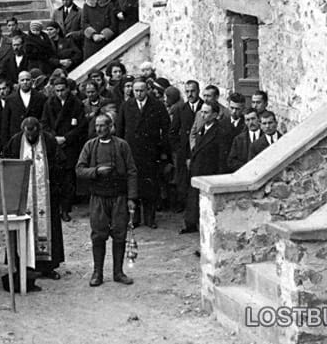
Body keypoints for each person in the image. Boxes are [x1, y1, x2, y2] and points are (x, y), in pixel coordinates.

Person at [76, 113, 137, 287]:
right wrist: (96, 171)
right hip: (98, 198)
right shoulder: (90, 146)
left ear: (111, 127)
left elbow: (132, 171)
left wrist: (132, 197)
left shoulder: (122, 145)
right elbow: (79, 169)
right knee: (98, 235)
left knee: (120, 234)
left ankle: (118, 272)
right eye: (97, 126)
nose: (99, 129)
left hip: (119, 197)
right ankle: (98, 273)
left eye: (103, 125)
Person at [5, 117, 65, 281]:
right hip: (22, 196)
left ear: (38, 130)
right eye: (27, 133)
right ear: (23, 130)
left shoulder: (49, 141)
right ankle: (23, 265)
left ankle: (48, 268)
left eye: (34, 133)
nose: (31, 137)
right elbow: (7, 165)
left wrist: (55, 184)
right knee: (22, 227)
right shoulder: (16, 141)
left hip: (46, 194)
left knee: (49, 228)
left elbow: (61, 164)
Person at [116, 78, 169, 228]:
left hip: (151, 152)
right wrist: (120, 151)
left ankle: (150, 218)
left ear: (147, 90)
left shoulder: (157, 105)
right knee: (134, 186)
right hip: (132, 152)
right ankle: (135, 218)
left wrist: (163, 151)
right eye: (136, 91)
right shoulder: (126, 106)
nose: (139, 93)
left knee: (150, 186)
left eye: (141, 90)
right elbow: (120, 129)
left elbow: (166, 129)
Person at [41, 77, 84, 221]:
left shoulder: (76, 104)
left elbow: (81, 126)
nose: (60, 93)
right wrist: (53, 139)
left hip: (69, 145)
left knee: (68, 181)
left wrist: (66, 138)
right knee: (55, 180)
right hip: (54, 145)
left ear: (67, 88)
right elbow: (45, 123)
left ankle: (66, 209)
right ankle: (56, 209)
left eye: (62, 90)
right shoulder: (49, 103)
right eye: (57, 90)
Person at [182, 102, 226, 235]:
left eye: (206, 112)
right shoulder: (202, 128)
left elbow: (221, 156)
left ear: (215, 115)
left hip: (209, 170)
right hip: (198, 169)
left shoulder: (219, 131)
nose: (202, 115)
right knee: (194, 199)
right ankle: (191, 223)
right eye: (202, 112)